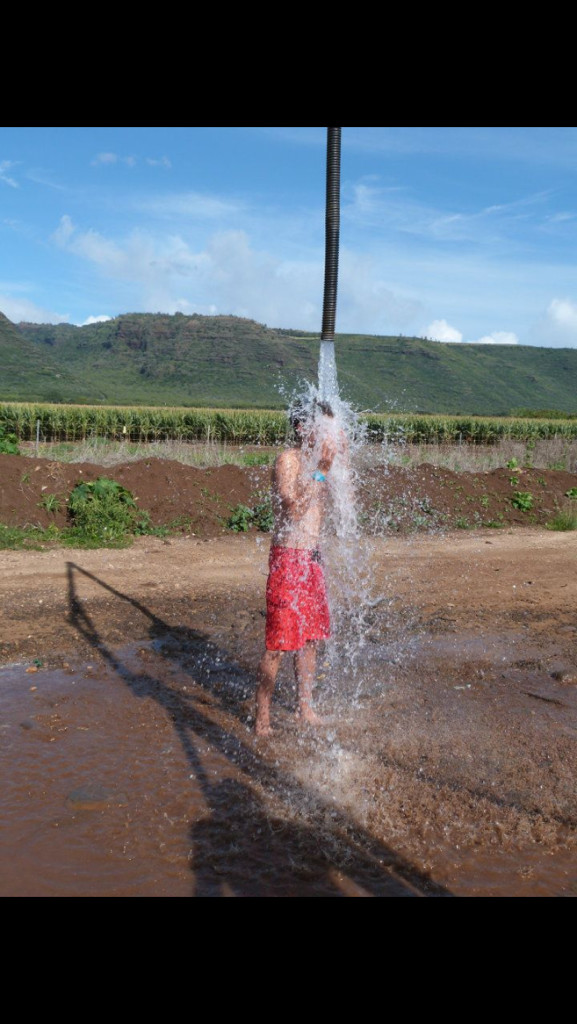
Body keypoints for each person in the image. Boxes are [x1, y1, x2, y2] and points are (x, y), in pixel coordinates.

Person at [254, 401, 339, 736]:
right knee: (278, 644)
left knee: (311, 640)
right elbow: (293, 510)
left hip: (312, 559)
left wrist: (331, 460)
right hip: (288, 559)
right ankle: (262, 718)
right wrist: (321, 471)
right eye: (322, 426)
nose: (327, 434)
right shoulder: (288, 461)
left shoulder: (318, 460)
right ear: (303, 428)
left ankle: (305, 708)